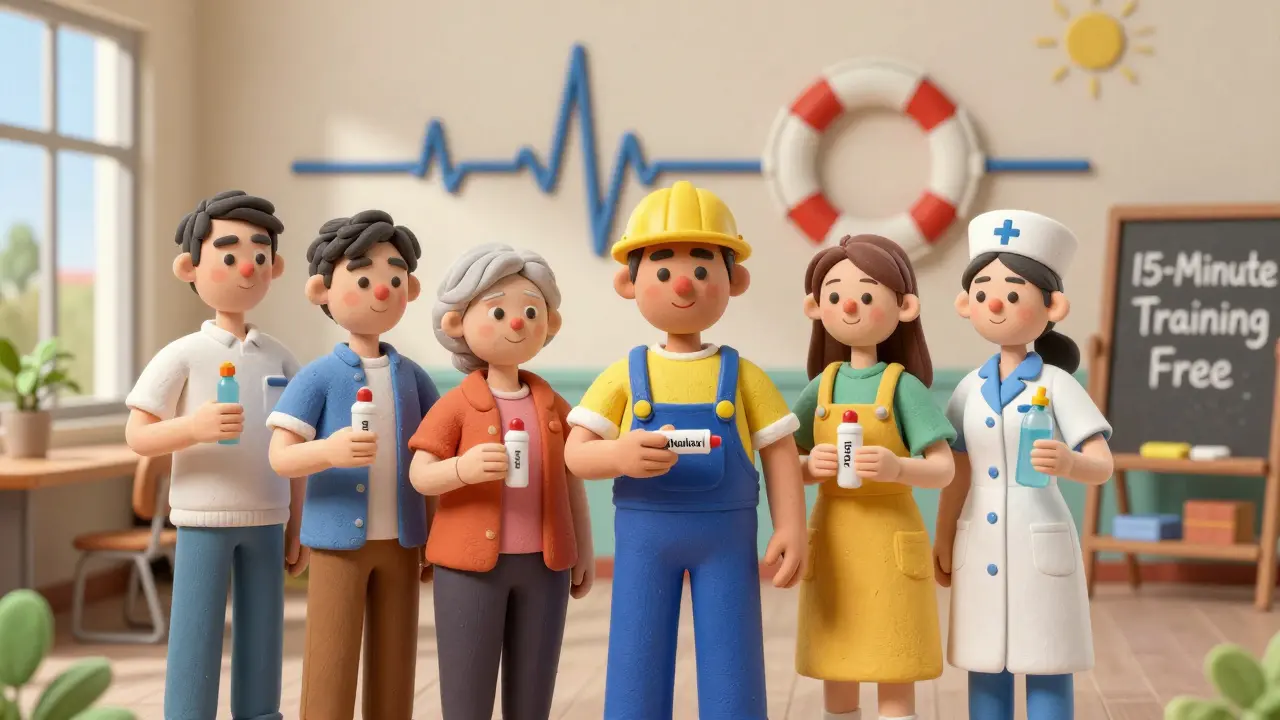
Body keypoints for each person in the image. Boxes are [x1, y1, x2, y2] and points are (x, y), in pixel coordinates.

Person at [563, 181, 808, 720]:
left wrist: (791, 525)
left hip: (727, 538)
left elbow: (780, 451)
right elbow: (575, 455)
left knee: (733, 655)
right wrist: (619, 456)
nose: (683, 284)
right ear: (629, 282)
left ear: (733, 281)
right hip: (645, 537)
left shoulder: (743, 376)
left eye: (702, 269)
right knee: (636, 653)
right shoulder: (625, 375)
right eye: (662, 267)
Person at [124, 190, 298, 720]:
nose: (247, 265)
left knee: (264, 631)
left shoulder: (282, 358)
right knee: (196, 629)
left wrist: (298, 524)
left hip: (269, 517)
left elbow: (299, 442)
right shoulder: (182, 355)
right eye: (229, 254)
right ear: (190, 267)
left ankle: (260, 713)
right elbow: (138, 435)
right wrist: (193, 427)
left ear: (275, 267)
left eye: (260, 255)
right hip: (202, 518)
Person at [935, 210, 1115, 720]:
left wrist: (1069, 461)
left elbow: (1102, 464)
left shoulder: (1057, 384)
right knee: (984, 662)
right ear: (966, 303)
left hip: (1041, 538)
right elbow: (958, 470)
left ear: (1052, 305)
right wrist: (944, 535)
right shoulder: (969, 388)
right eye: (984, 289)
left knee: (1047, 658)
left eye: (1013, 292)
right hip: (980, 541)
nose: (995, 302)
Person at [408, 243, 595, 720]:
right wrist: (462, 470)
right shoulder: (454, 405)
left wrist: (584, 551)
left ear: (548, 325)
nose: (517, 322)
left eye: (531, 311)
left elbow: (572, 480)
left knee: (534, 687)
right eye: (499, 310)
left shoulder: (554, 407)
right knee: (467, 685)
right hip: (469, 569)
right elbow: (420, 475)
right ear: (457, 323)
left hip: (545, 565)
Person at [266, 210, 439, 720]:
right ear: (321, 290)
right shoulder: (318, 377)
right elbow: (280, 457)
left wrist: (433, 529)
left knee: (397, 662)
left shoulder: (415, 378)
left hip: (405, 543)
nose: (382, 291)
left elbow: (433, 454)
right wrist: (329, 451)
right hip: (338, 541)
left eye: (394, 279)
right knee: (331, 658)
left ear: (410, 288)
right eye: (363, 279)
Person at [792, 234, 956, 720]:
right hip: (836, 536)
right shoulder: (820, 387)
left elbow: (944, 468)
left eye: (866, 294)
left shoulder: (903, 387)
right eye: (836, 294)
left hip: (889, 535)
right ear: (815, 306)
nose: (849, 305)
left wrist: (898, 467)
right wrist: (808, 467)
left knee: (893, 653)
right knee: (837, 659)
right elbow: (783, 462)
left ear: (904, 307)